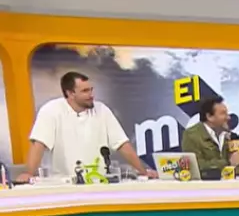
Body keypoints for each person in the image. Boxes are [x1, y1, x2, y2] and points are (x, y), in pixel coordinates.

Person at [16, 72, 156, 182]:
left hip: (100, 182)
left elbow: (122, 145)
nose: (91, 95)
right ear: (70, 93)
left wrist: (143, 172)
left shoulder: (102, 110)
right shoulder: (51, 110)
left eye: (91, 90)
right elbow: (39, 145)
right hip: (63, 184)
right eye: (85, 91)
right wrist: (29, 173)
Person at [181, 96, 239, 173]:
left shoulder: (230, 137)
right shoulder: (191, 135)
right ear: (209, 117)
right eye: (223, 113)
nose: (229, 117)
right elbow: (195, 166)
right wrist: (227, 163)